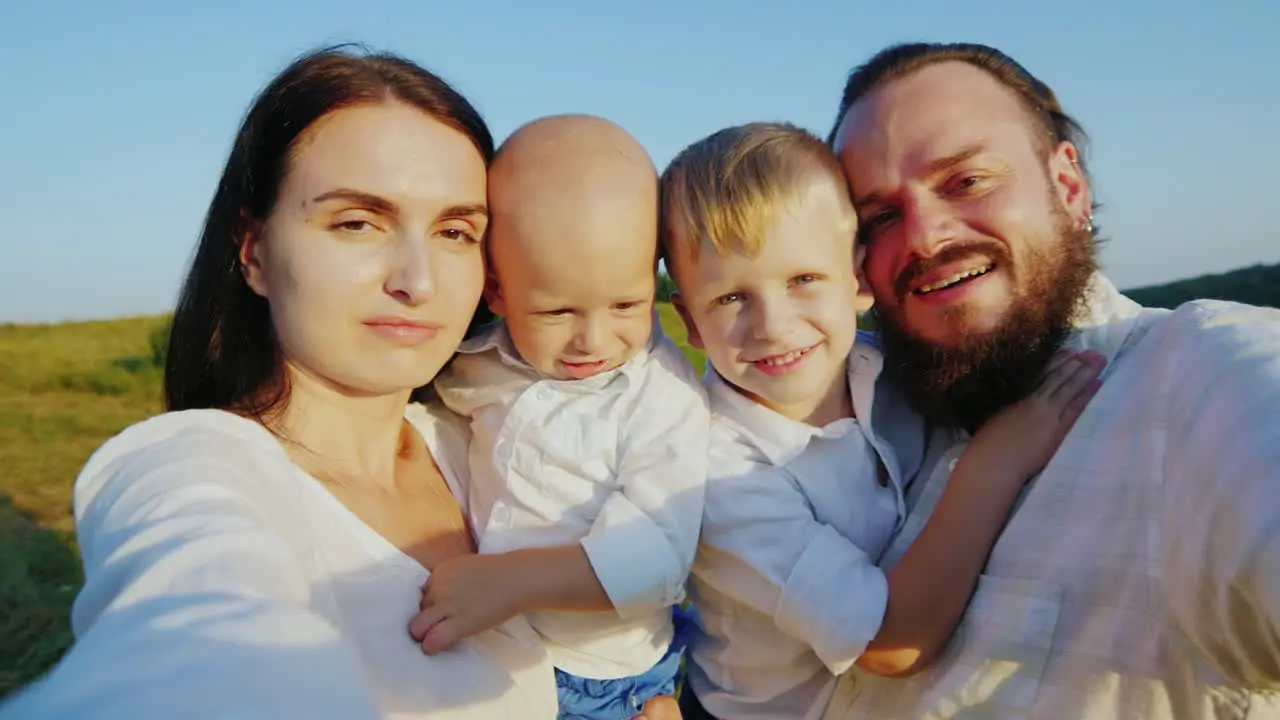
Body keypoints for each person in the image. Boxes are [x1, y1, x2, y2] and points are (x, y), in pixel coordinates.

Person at [0, 46, 561, 719]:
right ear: (254, 252)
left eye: (455, 230)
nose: (418, 281)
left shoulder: (486, 447)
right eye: (357, 222)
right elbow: (196, 645)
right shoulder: (193, 466)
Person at [822, 41, 1280, 719]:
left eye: (966, 180)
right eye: (881, 217)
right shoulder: (870, 423)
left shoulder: (1200, 377)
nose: (923, 236)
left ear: (1068, 186)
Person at [658, 121, 1106, 720]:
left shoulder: (894, 366)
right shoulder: (718, 474)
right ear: (689, 320)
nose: (772, 324)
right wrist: (994, 463)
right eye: (731, 298)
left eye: (803, 280)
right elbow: (890, 644)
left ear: (858, 278)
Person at [410, 114, 708, 720]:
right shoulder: (480, 362)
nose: (592, 340)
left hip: (597, 679)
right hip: (495, 642)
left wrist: (509, 582)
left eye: (628, 304)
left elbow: (655, 557)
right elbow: (435, 422)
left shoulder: (663, 398)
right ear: (497, 292)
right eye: (556, 311)